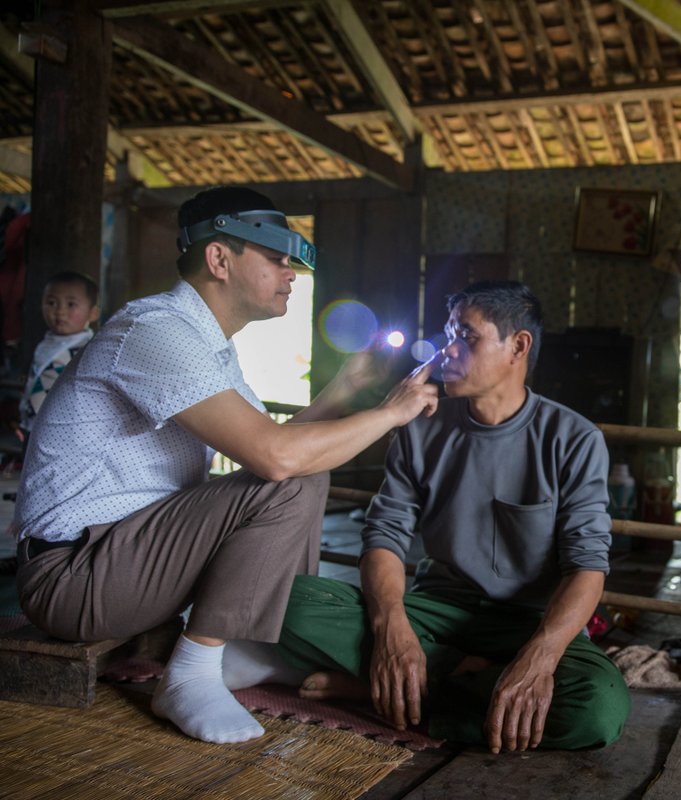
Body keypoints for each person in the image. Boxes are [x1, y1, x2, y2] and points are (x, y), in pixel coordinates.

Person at [12, 186, 440, 745]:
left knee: (299, 471)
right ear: (219, 259)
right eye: (276, 258)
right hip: (73, 576)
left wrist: (345, 388)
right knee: (292, 474)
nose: (290, 274)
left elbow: (280, 444)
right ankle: (190, 675)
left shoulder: (210, 346)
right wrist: (391, 413)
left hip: (126, 558)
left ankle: (250, 647)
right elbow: (277, 458)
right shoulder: (153, 330)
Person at [239, 281, 630, 753]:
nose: (449, 349)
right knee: (280, 600)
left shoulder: (573, 438)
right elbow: (384, 536)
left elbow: (588, 565)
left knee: (598, 706)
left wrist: (541, 658)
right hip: (436, 613)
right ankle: (450, 681)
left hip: (528, 623)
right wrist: (391, 628)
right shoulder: (421, 428)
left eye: (468, 336)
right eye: (448, 334)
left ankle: (402, 691)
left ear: (518, 346)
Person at [18, 271, 100, 439]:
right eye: (51, 302)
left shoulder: (89, 349)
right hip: (32, 426)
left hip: (63, 431)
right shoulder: (45, 343)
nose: (60, 311)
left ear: (93, 313)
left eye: (71, 305)